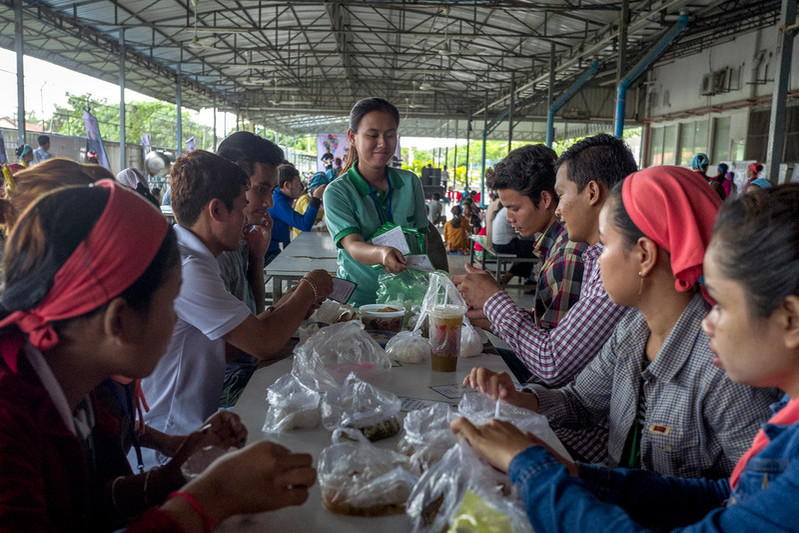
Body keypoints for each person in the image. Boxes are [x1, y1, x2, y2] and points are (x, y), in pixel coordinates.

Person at [452, 183, 799, 532]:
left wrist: (533, 469)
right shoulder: (633, 328)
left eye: (721, 304)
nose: (708, 321)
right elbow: (730, 495)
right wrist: (568, 469)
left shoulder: (726, 372)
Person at [0, 181, 316, 531]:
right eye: (170, 304)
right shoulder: (9, 427)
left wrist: (174, 475)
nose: (177, 319)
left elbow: (89, 506)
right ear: (118, 321)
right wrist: (214, 495)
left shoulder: (79, 385)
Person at [141, 150, 333, 468]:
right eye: (242, 206)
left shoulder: (194, 255)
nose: (249, 216)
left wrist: (293, 305)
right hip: (171, 447)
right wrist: (309, 287)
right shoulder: (189, 269)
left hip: (196, 428)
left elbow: (239, 340)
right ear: (216, 210)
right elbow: (263, 342)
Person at [454, 133, 633, 386]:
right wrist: (493, 315)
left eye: (562, 195)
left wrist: (494, 300)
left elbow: (553, 362)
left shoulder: (582, 257)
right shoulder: (592, 255)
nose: (559, 210)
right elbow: (562, 338)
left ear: (592, 192)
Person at [468, 144, 587, 331]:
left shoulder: (567, 254)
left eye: (515, 208)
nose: (509, 218)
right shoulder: (552, 245)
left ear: (545, 199)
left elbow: (552, 351)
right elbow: (544, 324)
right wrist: (489, 317)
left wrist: (494, 298)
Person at [323, 97, 427, 306]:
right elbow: (353, 245)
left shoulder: (409, 183)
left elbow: (424, 238)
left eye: (390, 135)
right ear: (352, 137)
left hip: (407, 298)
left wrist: (441, 280)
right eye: (373, 135)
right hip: (359, 301)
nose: (382, 143)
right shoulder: (338, 191)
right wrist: (382, 253)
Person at [215, 131, 284, 406]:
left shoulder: (240, 238)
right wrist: (302, 295)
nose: (268, 203)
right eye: (261, 189)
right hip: (224, 385)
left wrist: (257, 258)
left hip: (243, 364)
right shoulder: (209, 254)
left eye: (272, 191)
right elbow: (253, 343)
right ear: (234, 181)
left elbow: (252, 315)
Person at [265, 164, 324, 265]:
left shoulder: (281, 198)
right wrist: (316, 199)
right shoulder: (278, 202)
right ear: (287, 185)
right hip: (268, 252)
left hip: (276, 246)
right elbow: (304, 225)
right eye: (297, 185)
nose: (300, 188)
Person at [292, 172, 327, 240]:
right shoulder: (305, 199)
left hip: (307, 234)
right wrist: (326, 211)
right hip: (300, 237)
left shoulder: (312, 199)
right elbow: (311, 215)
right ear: (317, 188)